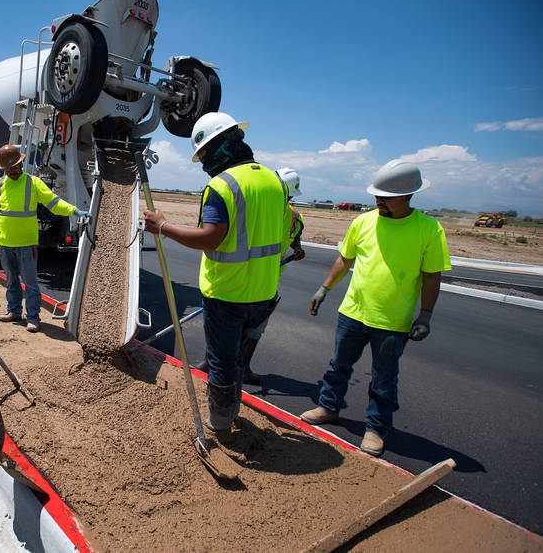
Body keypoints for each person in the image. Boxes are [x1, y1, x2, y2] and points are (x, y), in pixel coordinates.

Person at [143, 112, 288, 443]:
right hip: (264, 291)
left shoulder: (223, 186)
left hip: (227, 293)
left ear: (219, 146)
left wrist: (162, 227)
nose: (204, 163)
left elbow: (210, 237)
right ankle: (232, 411)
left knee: (222, 363)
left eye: (204, 154)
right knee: (238, 358)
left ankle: (220, 425)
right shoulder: (275, 181)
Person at [301, 160, 450, 456]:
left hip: (393, 321)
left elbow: (432, 276)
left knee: (383, 378)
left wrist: (426, 315)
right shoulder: (363, 222)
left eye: (386, 198)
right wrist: (324, 289)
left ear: (408, 196)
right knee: (338, 365)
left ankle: (376, 429)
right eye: (377, 196)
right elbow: (345, 259)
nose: (378, 201)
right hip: (353, 313)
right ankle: (328, 407)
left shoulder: (429, 230)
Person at [0, 144, 88, 332]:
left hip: (26, 244)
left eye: (15, 167)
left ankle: (33, 317)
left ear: (21, 164)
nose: (12, 171)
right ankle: (14, 311)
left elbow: (54, 203)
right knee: (11, 280)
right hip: (5, 243)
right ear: (4, 169)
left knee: (31, 283)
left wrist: (74, 210)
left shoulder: (33, 183)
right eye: (8, 169)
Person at [227, 167, 307, 387]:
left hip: (268, 282)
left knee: (254, 330)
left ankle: (242, 369)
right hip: (243, 278)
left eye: (289, 197)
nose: (288, 200)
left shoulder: (294, 217)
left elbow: (295, 235)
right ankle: (214, 365)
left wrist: (297, 248)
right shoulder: (259, 208)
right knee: (229, 325)